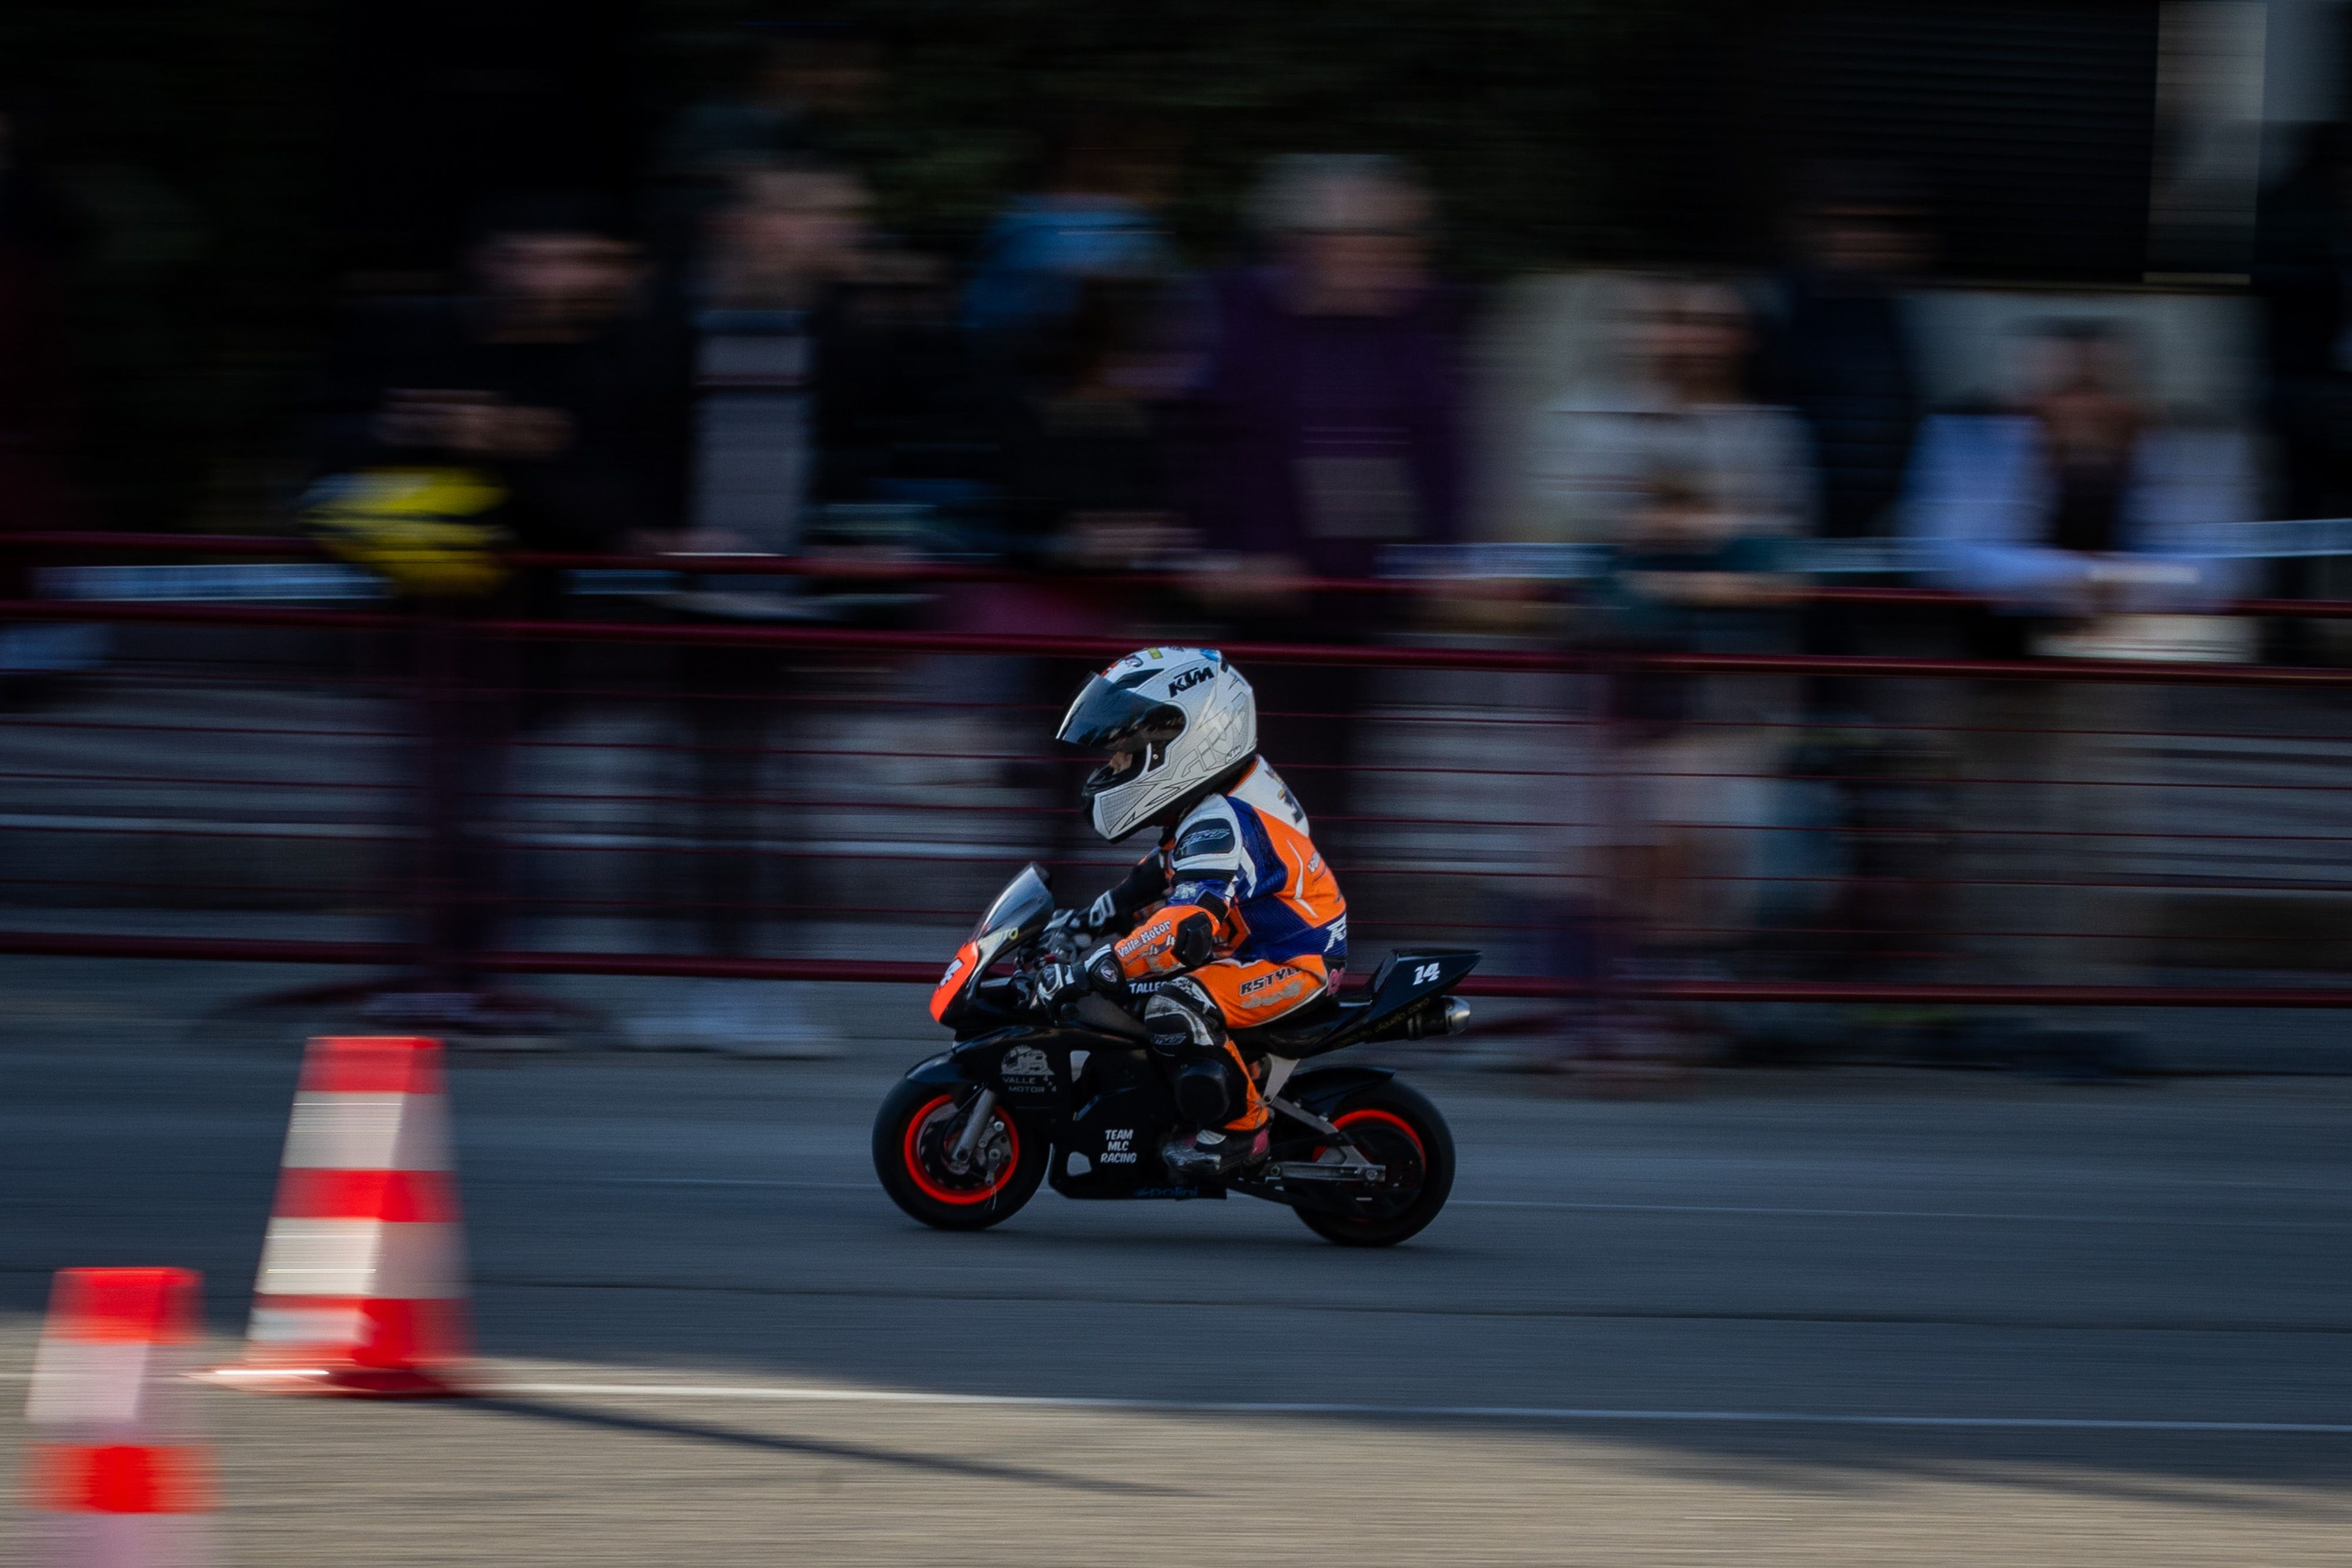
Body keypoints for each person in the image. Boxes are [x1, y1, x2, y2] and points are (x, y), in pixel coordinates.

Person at [1038, 647, 1348, 1180]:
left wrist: (1100, 964)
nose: (1111, 764)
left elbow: (1189, 925)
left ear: (1188, 743)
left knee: (1172, 1001)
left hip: (1293, 960)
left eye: (1123, 752)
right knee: (1140, 970)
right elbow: (1163, 870)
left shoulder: (1223, 817)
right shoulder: (1219, 795)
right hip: (1257, 944)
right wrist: (1090, 917)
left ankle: (1241, 1130)